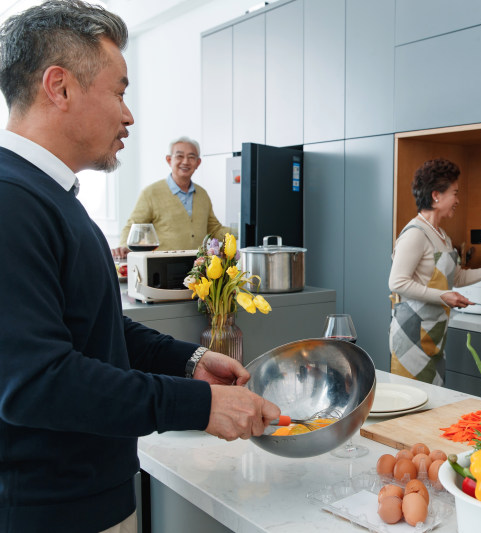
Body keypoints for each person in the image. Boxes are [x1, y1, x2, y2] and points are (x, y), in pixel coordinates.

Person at [0, 2, 279, 532]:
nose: (128, 116)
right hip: (51, 512)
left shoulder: (51, 197)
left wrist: (189, 360)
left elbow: (98, 329)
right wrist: (197, 406)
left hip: (89, 496)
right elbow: (38, 382)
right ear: (58, 87)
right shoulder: (11, 202)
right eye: (120, 92)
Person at [389, 158, 481, 385]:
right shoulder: (415, 233)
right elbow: (397, 282)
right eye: (454, 193)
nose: (457, 200)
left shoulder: (442, 236)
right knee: (413, 403)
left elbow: (457, 278)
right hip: (411, 335)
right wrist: (443, 296)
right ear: (436, 196)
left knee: (432, 403)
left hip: (435, 333)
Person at [113, 136, 229, 259]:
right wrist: (124, 247)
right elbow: (133, 226)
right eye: (179, 156)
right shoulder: (150, 193)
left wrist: (247, 230)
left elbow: (214, 229)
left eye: (191, 157)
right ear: (169, 160)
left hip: (198, 269)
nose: (185, 162)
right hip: (163, 267)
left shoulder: (202, 194)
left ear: (198, 163)